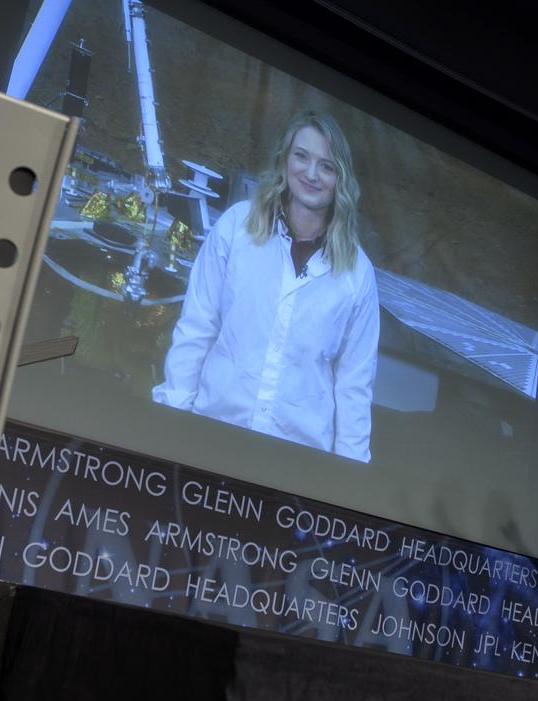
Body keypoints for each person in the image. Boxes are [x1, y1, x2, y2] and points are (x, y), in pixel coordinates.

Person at [152, 110, 379, 462]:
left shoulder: (357, 273)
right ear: (284, 159)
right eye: (301, 156)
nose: (312, 174)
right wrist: (171, 419)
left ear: (342, 180)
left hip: (297, 461)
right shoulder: (235, 227)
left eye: (328, 166)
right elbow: (197, 328)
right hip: (212, 433)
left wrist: (349, 475)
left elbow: (354, 385)